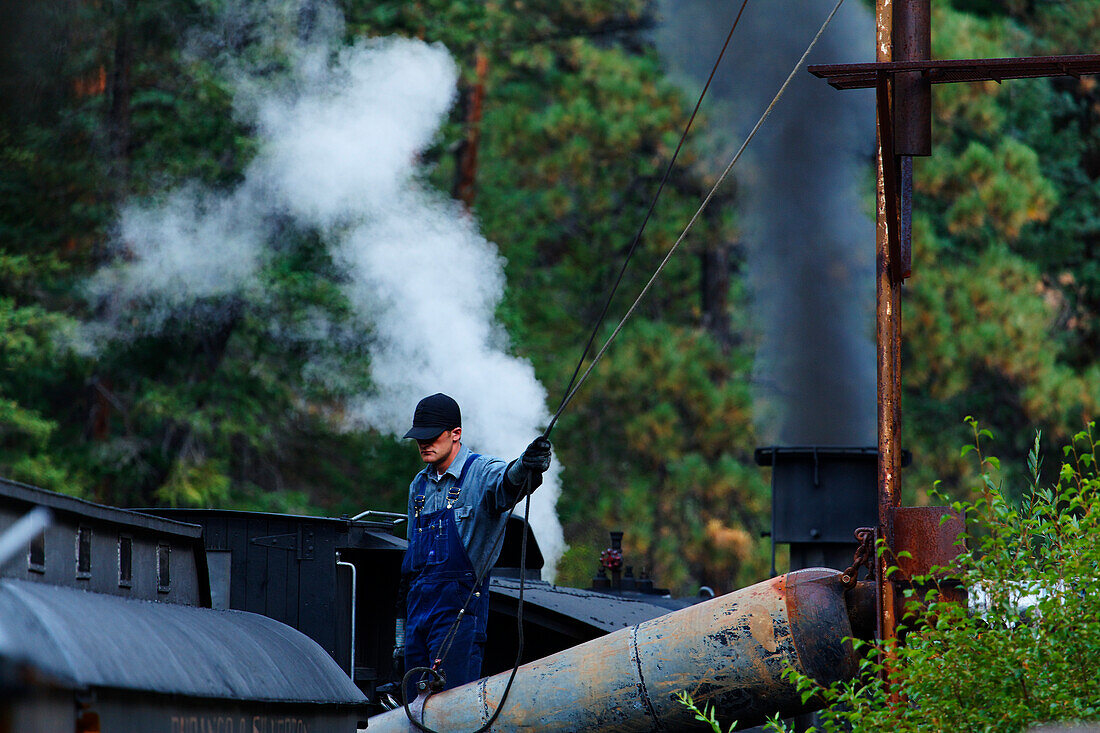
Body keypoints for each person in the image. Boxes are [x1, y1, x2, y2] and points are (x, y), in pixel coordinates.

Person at [398, 392, 552, 699]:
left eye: (432, 436)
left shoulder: (481, 472)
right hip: (418, 612)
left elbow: (509, 482)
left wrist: (527, 464)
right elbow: (412, 557)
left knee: (453, 708)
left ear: (456, 434)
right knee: (414, 707)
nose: (424, 444)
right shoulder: (419, 485)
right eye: (419, 438)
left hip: (458, 614)